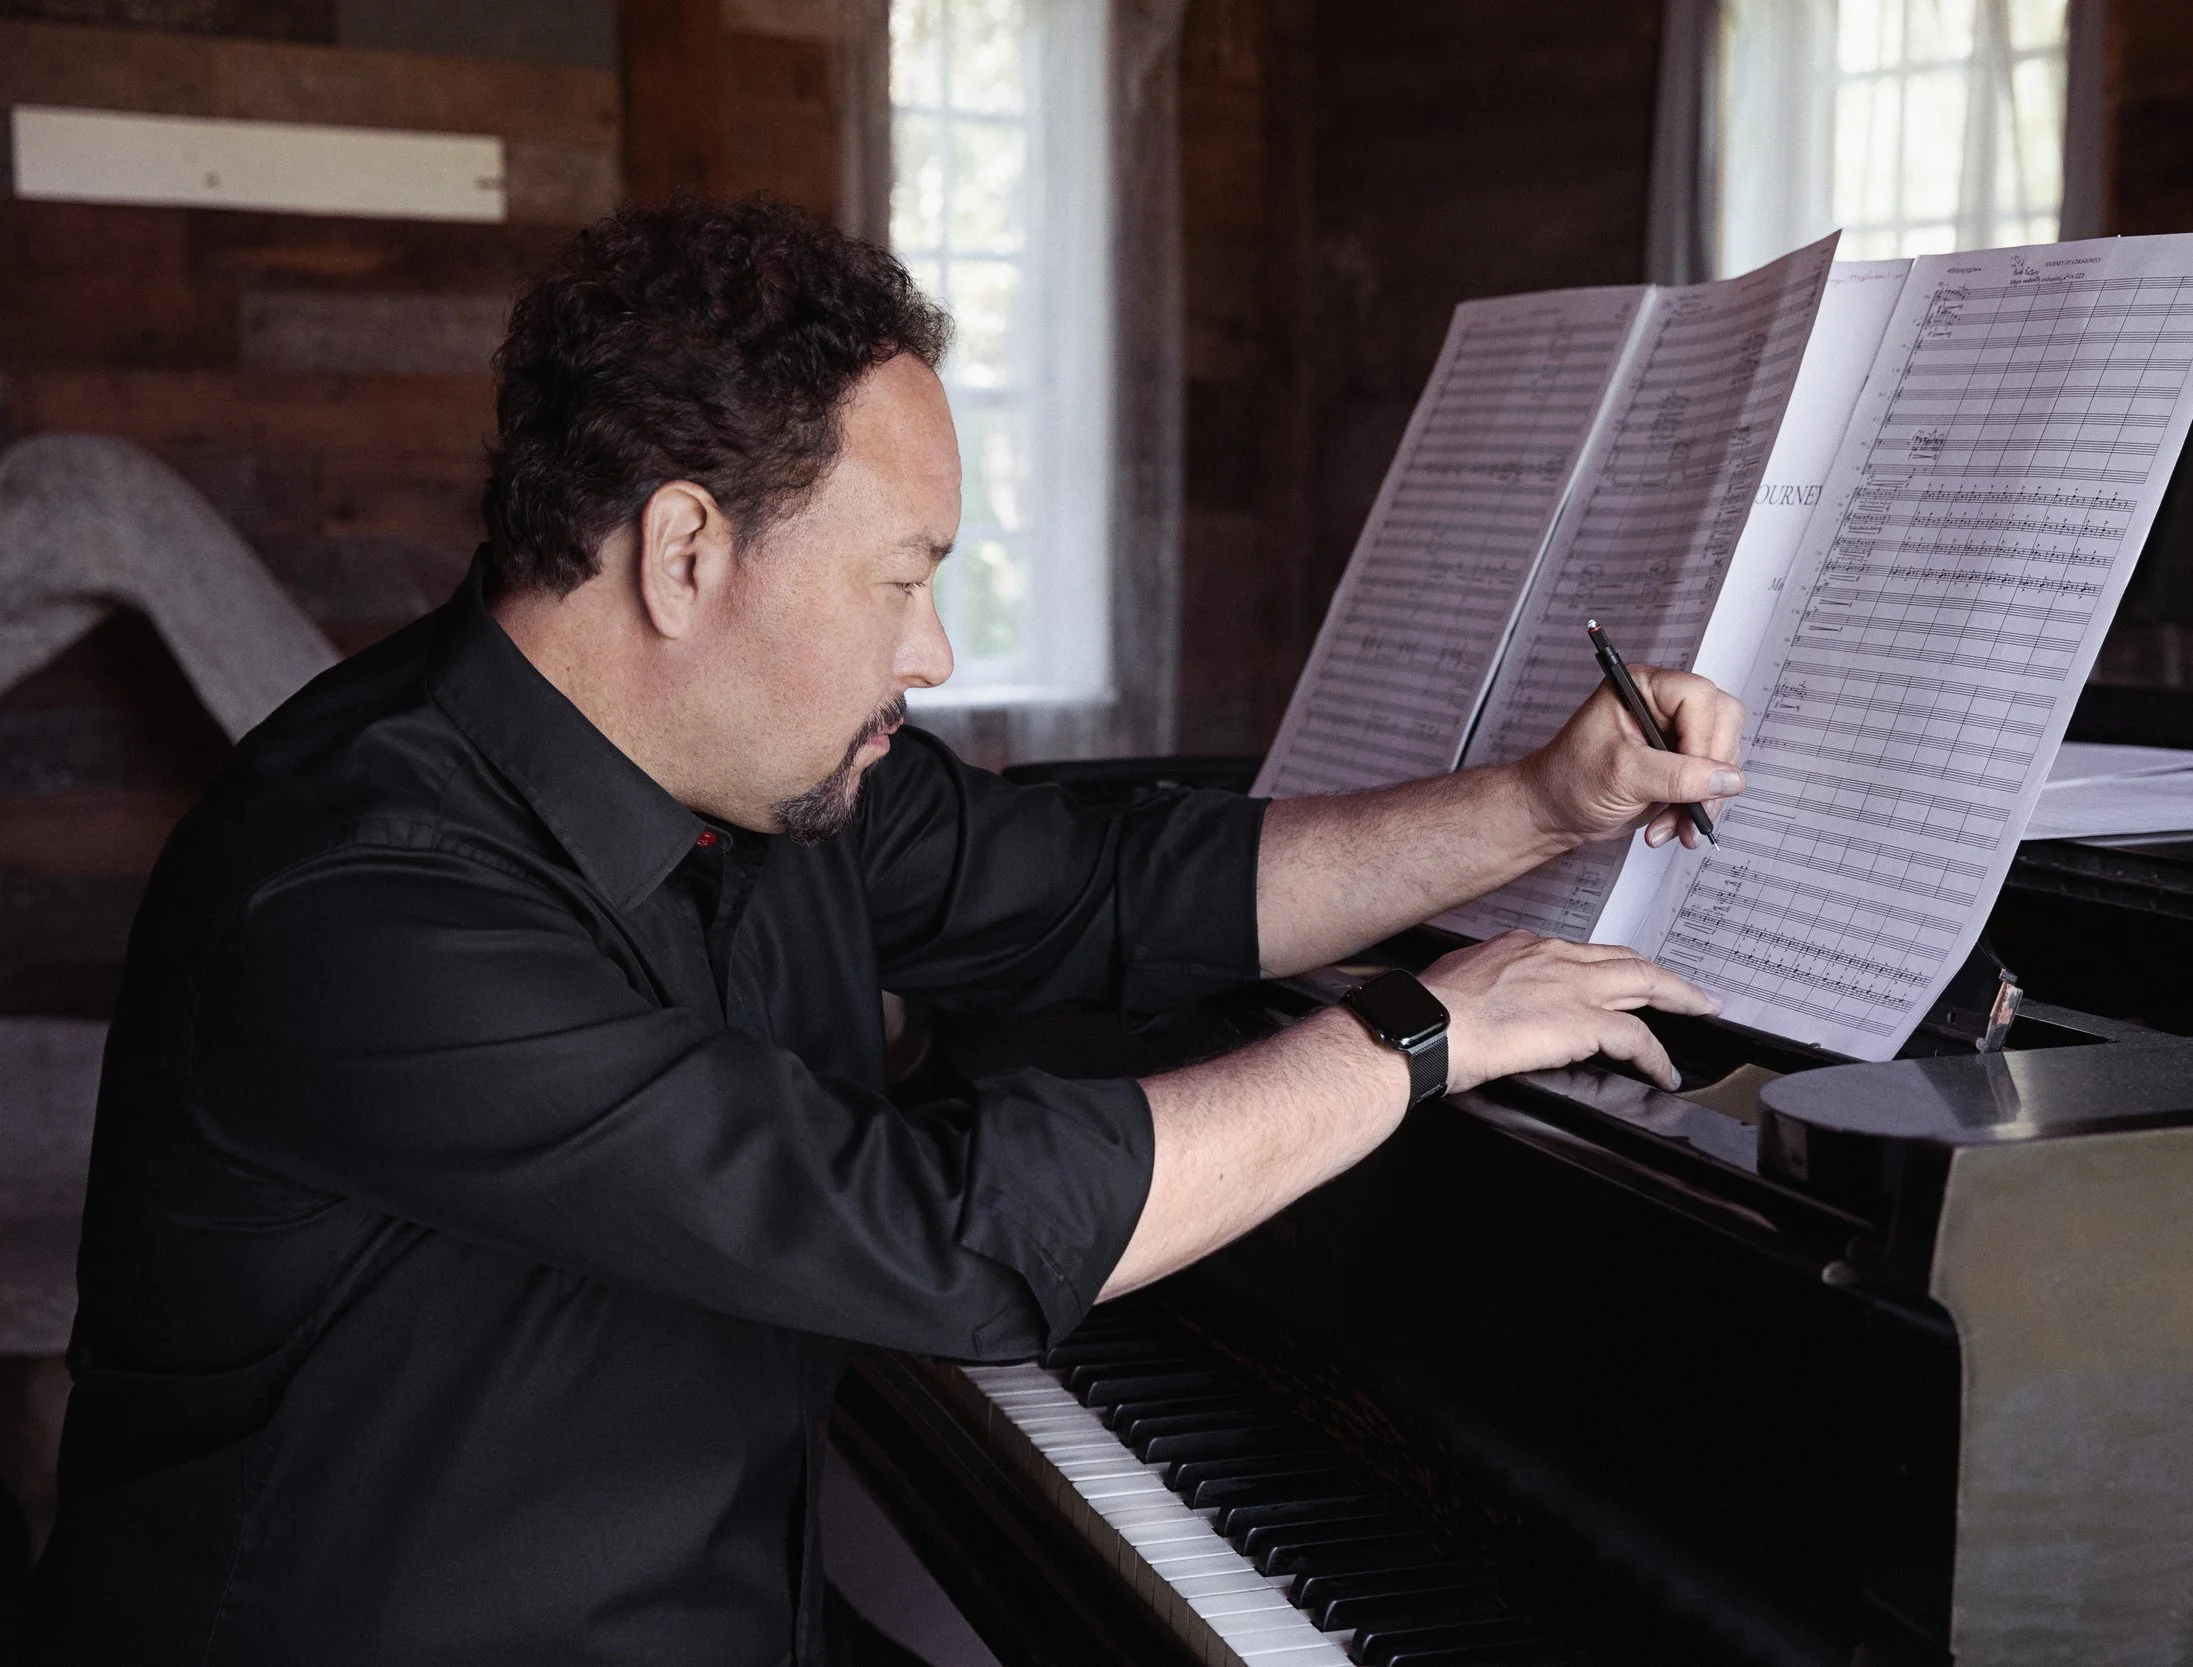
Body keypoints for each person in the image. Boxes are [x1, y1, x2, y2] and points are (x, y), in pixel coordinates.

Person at [24, 199, 1744, 1665]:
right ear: (685, 552)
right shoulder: (356, 894)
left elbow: (1126, 886)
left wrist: (1541, 802)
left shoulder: (767, 771)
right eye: (901, 576)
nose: (928, 654)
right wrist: (1418, 1034)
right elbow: (926, 1229)